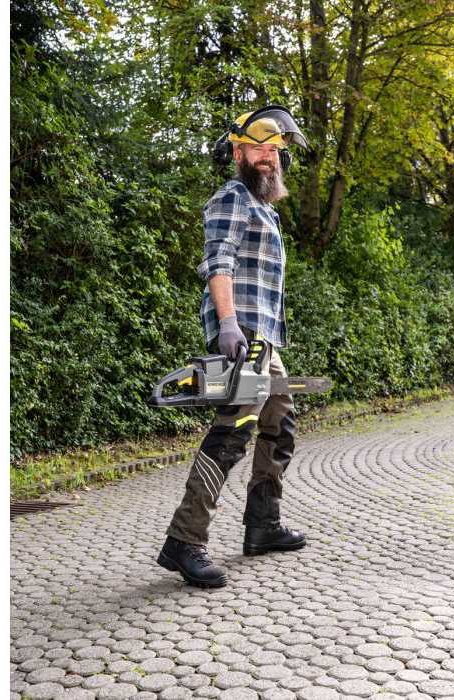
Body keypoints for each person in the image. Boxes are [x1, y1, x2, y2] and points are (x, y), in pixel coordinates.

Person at [157, 108, 310, 588]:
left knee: (280, 426)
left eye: (275, 150)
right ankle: (184, 540)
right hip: (241, 335)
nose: (269, 157)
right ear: (238, 152)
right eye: (258, 148)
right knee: (232, 433)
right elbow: (218, 262)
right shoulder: (233, 197)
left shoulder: (266, 209)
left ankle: (263, 526)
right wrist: (227, 323)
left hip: (265, 340)